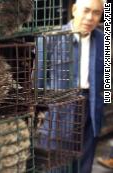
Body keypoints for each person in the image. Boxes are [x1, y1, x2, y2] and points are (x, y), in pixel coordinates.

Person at [36, 0, 105, 172]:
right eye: (86, 10)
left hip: (91, 108)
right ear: (74, 9)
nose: (90, 18)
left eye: (96, 13)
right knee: (58, 166)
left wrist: (102, 104)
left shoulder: (104, 41)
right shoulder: (50, 39)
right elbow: (38, 83)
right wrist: (41, 114)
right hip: (59, 111)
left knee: (84, 165)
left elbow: (107, 81)